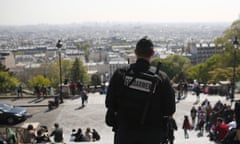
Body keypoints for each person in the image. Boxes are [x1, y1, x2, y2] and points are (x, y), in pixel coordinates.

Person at [105, 37, 176, 144]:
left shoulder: (121, 74)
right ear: (152, 53)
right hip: (152, 134)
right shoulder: (161, 78)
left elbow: (110, 102)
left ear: (135, 52)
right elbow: (170, 109)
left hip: (125, 132)